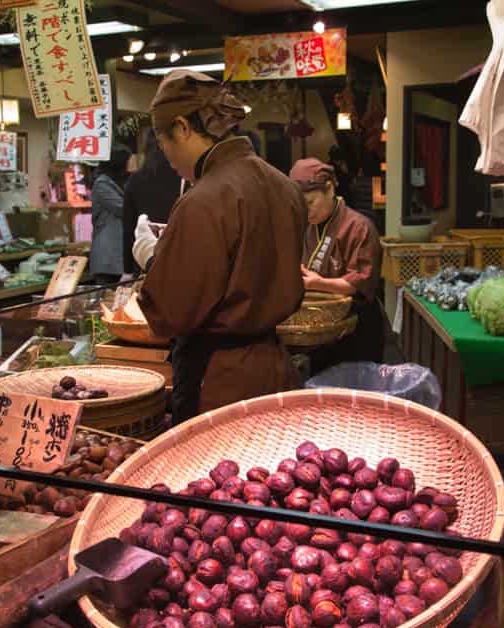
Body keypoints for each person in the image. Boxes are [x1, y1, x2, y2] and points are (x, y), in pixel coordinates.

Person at [132, 70, 306, 425]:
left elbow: (170, 314)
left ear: (182, 127)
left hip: (219, 383)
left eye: (163, 142)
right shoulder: (285, 186)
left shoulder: (203, 200)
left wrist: (152, 257)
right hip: (276, 367)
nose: (165, 156)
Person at [289, 158, 386, 375]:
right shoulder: (306, 227)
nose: (305, 212)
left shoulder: (359, 227)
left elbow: (360, 281)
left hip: (357, 329)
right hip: (320, 327)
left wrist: (318, 283)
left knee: (357, 399)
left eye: (310, 203)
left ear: (330, 189)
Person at [121, 131, 185, 278]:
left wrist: (127, 270)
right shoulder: (184, 177)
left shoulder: (136, 180)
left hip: (144, 259)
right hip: (176, 258)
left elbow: (128, 228)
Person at [89, 144, 132, 284]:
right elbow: (123, 209)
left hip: (117, 255)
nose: (129, 165)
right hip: (107, 256)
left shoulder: (120, 182)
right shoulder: (102, 184)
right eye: (127, 161)